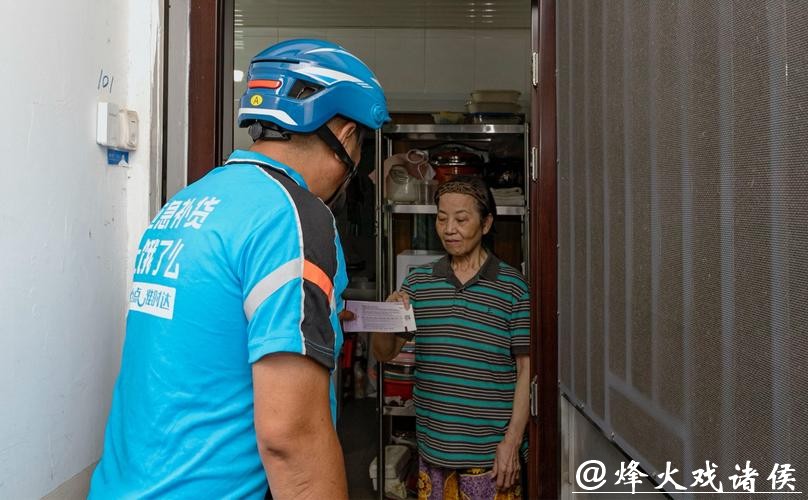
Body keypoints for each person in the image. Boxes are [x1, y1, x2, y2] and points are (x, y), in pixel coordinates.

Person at [89, 39, 389, 499]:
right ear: (346, 134)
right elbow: (293, 437)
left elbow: (209, 332)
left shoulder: (188, 201)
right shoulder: (294, 215)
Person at [372, 176, 530, 500]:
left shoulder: (512, 287)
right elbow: (385, 353)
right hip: (433, 452)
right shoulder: (418, 282)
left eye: (461, 219)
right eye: (441, 219)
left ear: (486, 223)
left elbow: (526, 371)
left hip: (490, 457)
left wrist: (511, 443)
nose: (449, 229)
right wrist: (386, 318)